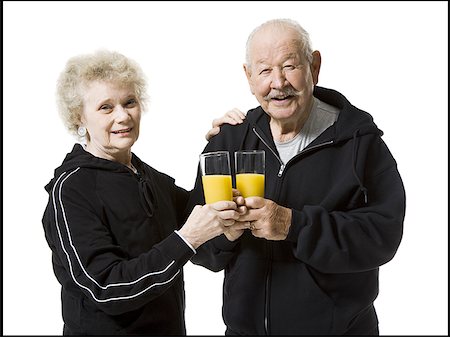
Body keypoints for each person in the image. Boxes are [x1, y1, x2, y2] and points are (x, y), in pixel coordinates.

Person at [189, 18, 406, 335]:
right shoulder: (229, 142)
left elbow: (382, 237)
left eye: (289, 66)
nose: (278, 82)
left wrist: (294, 225)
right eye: (264, 70)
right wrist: (226, 232)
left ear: (314, 66)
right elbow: (199, 247)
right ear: (249, 78)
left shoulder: (359, 142)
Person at [41, 49, 247, 335]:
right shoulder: (72, 189)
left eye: (129, 102)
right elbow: (106, 288)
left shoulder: (149, 178)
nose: (123, 116)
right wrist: (188, 237)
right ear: (80, 118)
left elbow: (203, 248)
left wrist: (218, 146)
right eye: (106, 107)